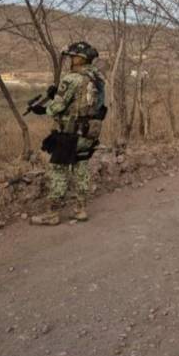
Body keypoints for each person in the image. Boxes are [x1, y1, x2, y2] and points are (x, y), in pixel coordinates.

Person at [29, 41, 106, 226]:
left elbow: (57, 107)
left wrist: (43, 109)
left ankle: (52, 213)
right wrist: (57, 94)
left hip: (69, 134)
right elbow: (93, 105)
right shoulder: (97, 78)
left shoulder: (72, 78)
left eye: (73, 57)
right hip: (89, 133)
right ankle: (80, 209)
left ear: (81, 58)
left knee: (58, 170)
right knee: (81, 169)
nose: (71, 59)